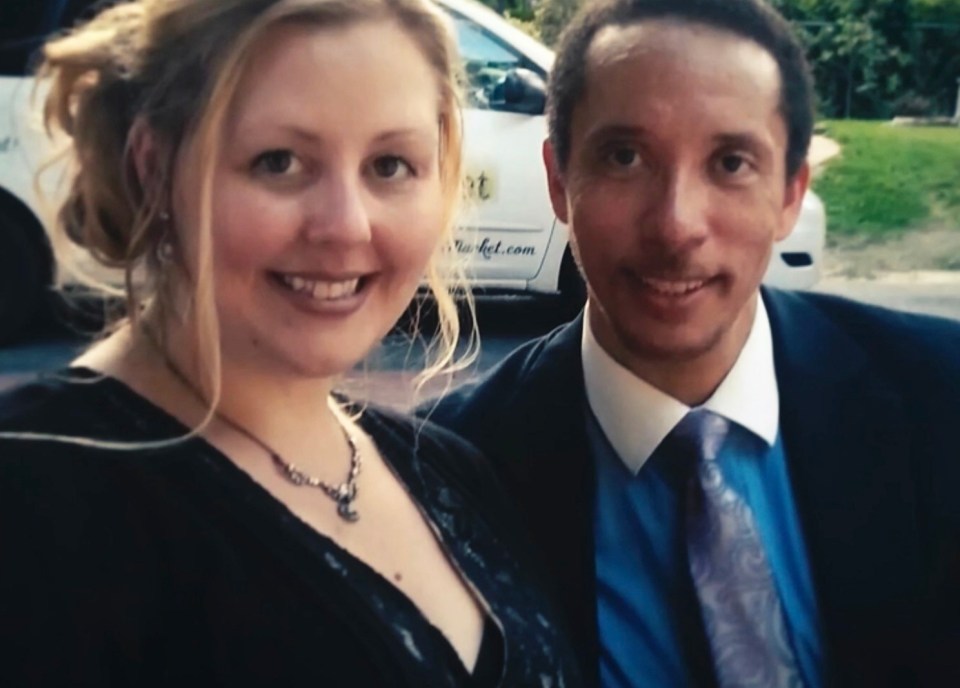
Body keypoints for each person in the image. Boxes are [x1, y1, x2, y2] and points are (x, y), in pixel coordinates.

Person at [0, 1, 582, 685]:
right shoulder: (40, 499)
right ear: (154, 169)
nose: (345, 225)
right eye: (278, 162)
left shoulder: (448, 470)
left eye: (390, 165)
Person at [425, 0, 960, 686]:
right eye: (625, 157)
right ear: (560, 181)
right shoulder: (454, 481)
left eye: (731, 162)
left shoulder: (940, 402)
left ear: (791, 193)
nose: (676, 226)